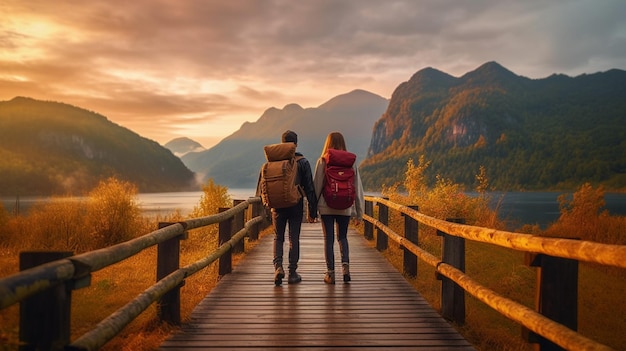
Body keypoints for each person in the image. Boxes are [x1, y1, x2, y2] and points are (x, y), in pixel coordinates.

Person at [261, 130, 317, 285]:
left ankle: (278, 267)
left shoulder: (272, 162)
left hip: (277, 206)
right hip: (295, 205)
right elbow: (310, 188)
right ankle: (292, 273)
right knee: (294, 238)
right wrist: (313, 211)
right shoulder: (303, 162)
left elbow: (262, 186)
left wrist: (266, 205)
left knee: (278, 238)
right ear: (296, 144)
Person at [313, 132, 364, 284]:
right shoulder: (351, 162)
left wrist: (312, 209)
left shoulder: (323, 160)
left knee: (329, 239)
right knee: (342, 237)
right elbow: (358, 187)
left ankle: (330, 274)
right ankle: (346, 269)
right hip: (345, 207)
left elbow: (317, 186)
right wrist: (359, 213)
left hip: (326, 206)